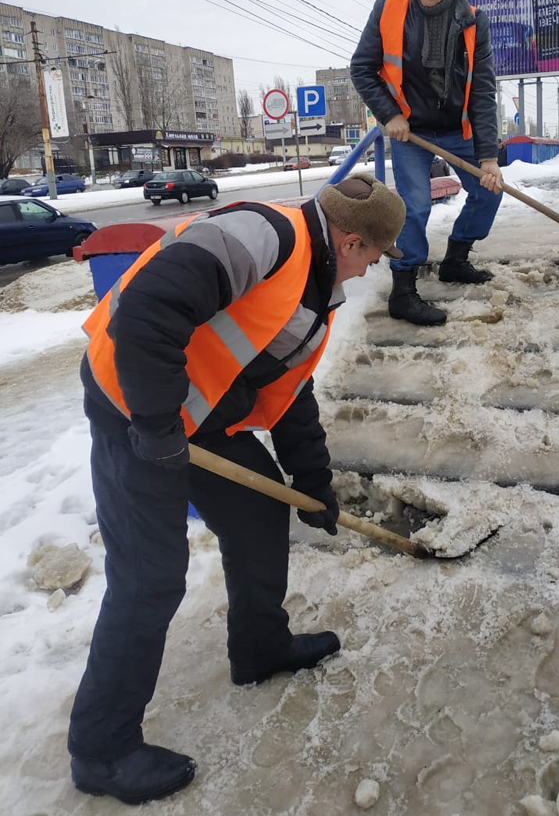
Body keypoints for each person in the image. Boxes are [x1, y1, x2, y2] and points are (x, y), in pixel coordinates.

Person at [67, 174, 406, 805]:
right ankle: (102, 748)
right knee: (150, 576)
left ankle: (260, 645)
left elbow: (291, 394)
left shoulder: (315, 285)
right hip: (131, 402)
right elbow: (148, 308)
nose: (369, 273)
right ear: (355, 240)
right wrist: (156, 424)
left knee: (257, 511)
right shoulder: (263, 237)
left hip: (195, 415)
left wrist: (314, 484)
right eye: (375, 258)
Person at [350, 0, 504, 327]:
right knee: (415, 206)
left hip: (459, 128)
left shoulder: (473, 21)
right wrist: (389, 115)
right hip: (411, 131)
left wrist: (488, 157)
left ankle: (456, 259)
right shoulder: (389, 7)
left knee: (488, 192)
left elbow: (483, 92)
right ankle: (404, 289)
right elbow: (361, 69)